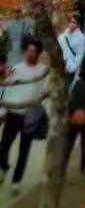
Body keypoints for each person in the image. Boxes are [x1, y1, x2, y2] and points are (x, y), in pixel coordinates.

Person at [0, 38, 50, 191]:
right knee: (4, 147)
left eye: (33, 51)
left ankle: (16, 181)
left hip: (30, 116)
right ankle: (4, 167)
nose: (29, 54)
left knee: (24, 150)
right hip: (13, 114)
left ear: (38, 53)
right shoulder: (17, 68)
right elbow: (7, 90)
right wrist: (3, 112)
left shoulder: (43, 71)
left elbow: (46, 91)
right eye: (28, 50)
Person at [64, 59, 85, 177]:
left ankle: (63, 167)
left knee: (69, 143)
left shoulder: (77, 84)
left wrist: (69, 114)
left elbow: (71, 101)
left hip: (74, 117)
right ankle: (83, 168)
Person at [59, 12, 85, 78]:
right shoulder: (65, 33)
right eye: (70, 21)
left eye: (74, 22)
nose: (71, 24)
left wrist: (70, 69)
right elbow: (60, 41)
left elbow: (79, 56)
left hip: (71, 70)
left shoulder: (81, 38)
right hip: (61, 65)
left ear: (78, 25)